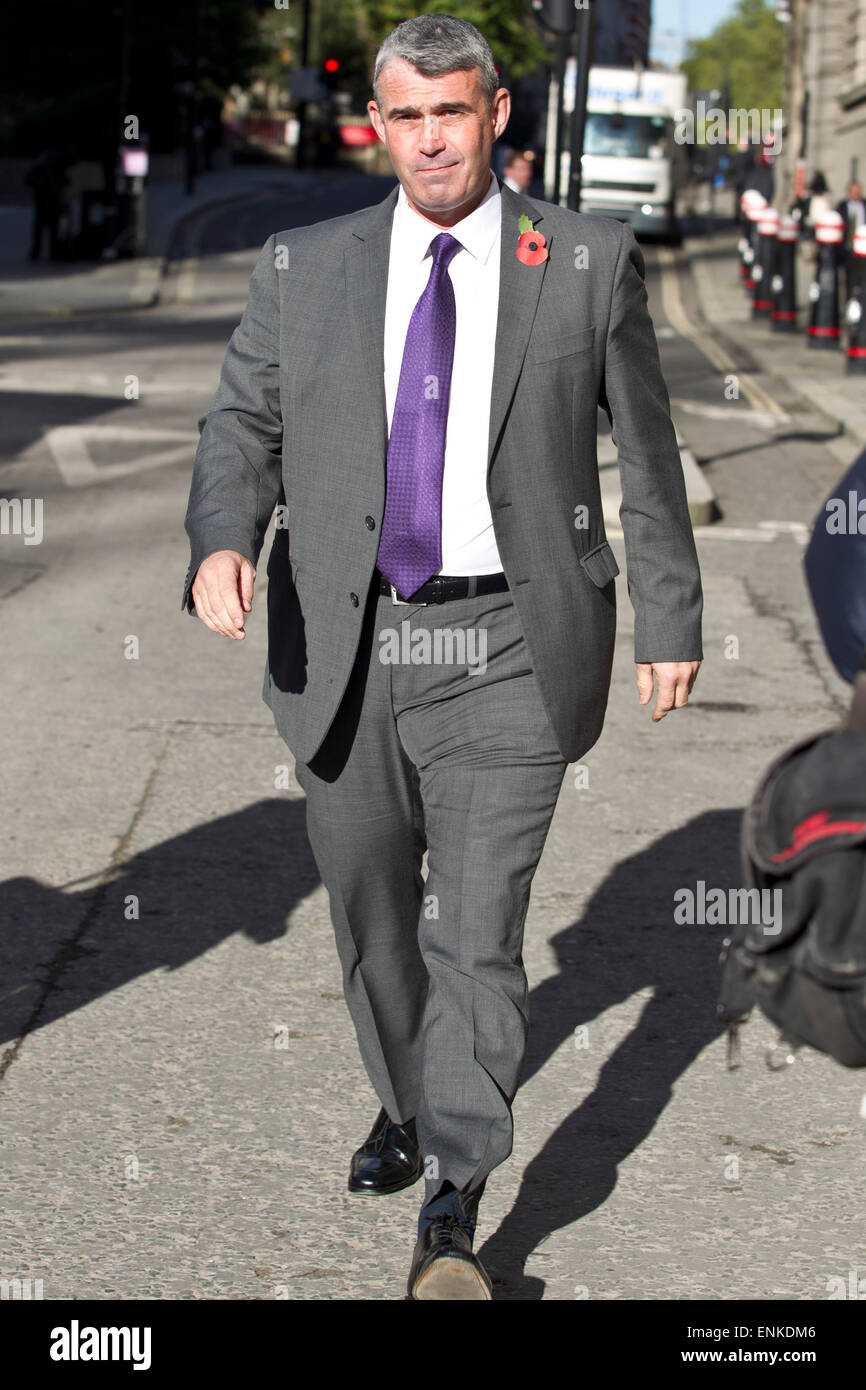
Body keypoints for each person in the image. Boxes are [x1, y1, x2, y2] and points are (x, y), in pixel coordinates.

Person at [181, 12, 703, 1301]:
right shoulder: (305, 264)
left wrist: (670, 618)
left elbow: (644, 454)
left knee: (478, 925)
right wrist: (219, 540)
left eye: (452, 114)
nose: (430, 141)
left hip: (506, 640)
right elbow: (240, 420)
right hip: (344, 634)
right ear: (379, 125)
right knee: (371, 915)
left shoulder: (581, 257)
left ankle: (456, 1200)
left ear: (495, 115)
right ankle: (409, 1101)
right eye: (405, 117)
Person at [836, 179, 866, 298]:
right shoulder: (842, 206)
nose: (856, 194)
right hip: (848, 248)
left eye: (858, 191)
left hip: (863, 248)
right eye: (853, 191)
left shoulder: (864, 205)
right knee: (849, 278)